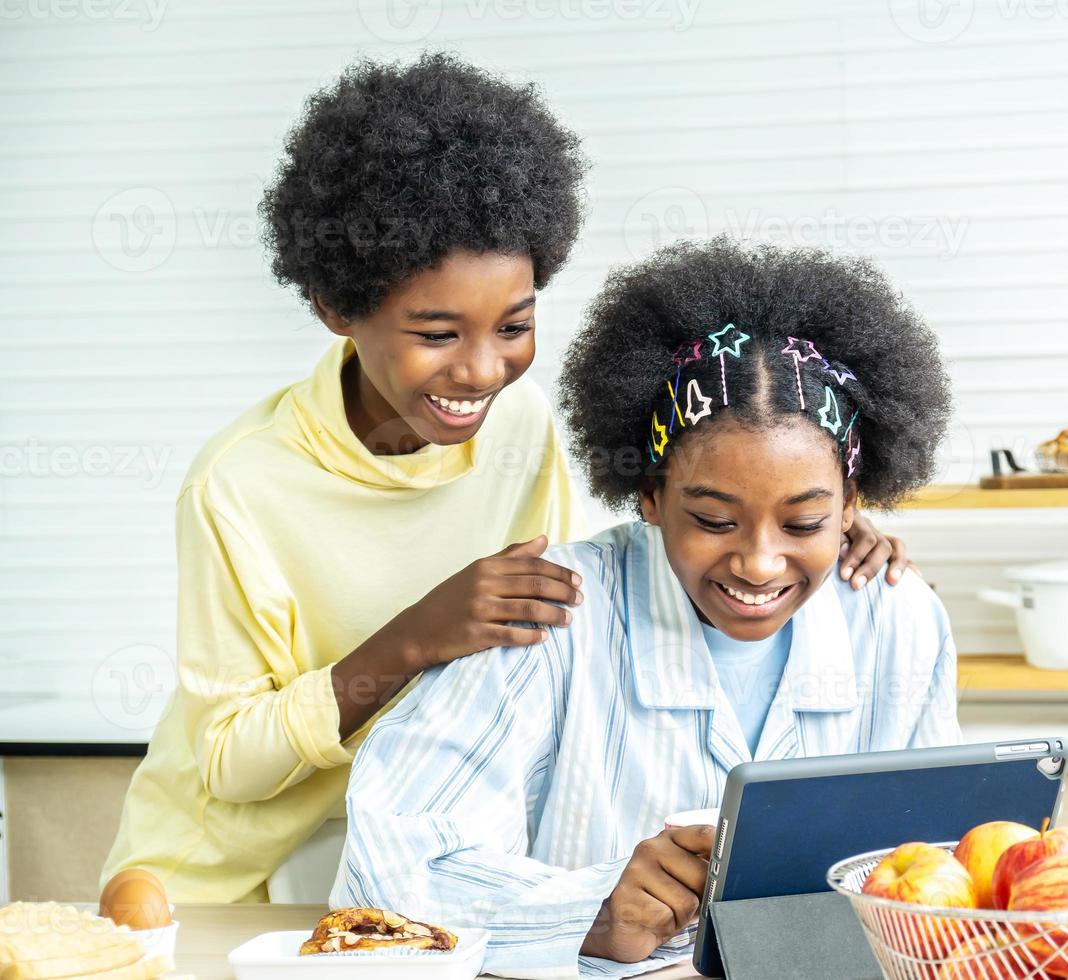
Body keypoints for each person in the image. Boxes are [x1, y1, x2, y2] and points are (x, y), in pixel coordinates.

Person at [101, 54, 908, 904]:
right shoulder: (239, 485)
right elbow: (226, 764)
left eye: (515, 324)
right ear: (338, 308)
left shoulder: (516, 426)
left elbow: (616, 568)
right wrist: (413, 639)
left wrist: (804, 527)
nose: (484, 371)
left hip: (414, 855)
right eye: (437, 332)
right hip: (225, 884)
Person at [334, 238, 962, 977]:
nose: (759, 563)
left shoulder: (896, 616)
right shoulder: (550, 615)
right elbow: (384, 870)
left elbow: (949, 880)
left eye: (802, 523)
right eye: (714, 521)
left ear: (853, 506)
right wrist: (587, 912)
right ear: (650, 495)